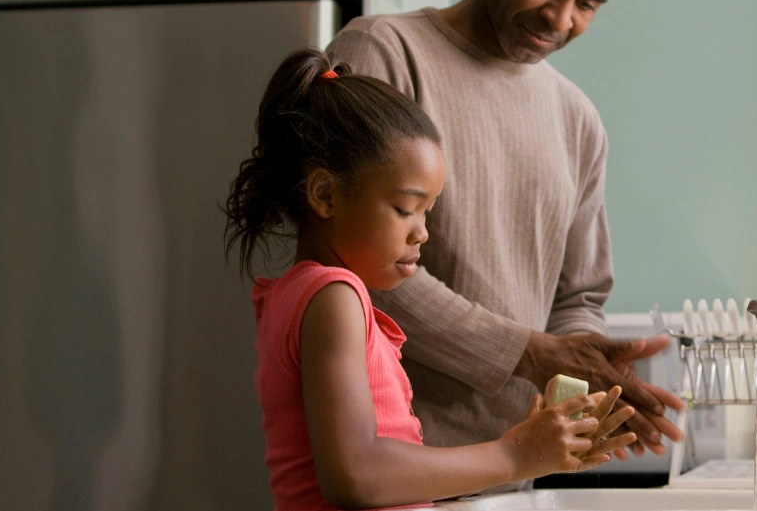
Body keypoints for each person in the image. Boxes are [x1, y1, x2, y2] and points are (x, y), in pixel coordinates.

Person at [223, 47, 637, 511]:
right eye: (405, 208)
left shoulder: (300, 295)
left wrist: (533, 450)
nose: (422, 231)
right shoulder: (334, 297)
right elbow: (356, 474)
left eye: (427, 210)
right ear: (324, 194)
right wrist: (513, 454)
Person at [326, 0, 685, 480]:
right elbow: (350, 259)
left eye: (587, 4)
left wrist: (587, 376)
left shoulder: (577, 119)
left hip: (518, 476)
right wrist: (531, 354)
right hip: (394, 474)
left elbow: (578, 296)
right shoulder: (384, 52)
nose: (561, 19)